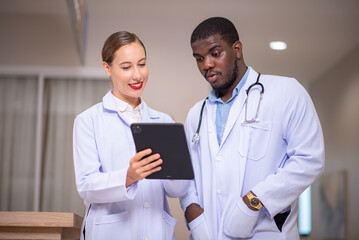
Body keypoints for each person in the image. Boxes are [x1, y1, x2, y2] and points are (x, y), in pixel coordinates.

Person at [180, 17, 325, 239]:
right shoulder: (196, 114)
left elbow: (309, 160)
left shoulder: (286, 92)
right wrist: (193, 214)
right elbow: (188, 176)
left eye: (215, 53)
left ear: (237, 49)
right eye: (199, 58)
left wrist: (253, 201)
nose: (206, 64)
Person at [73, 31, 189, 240]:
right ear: (107, 68)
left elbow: (177, 189)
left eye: (142, 64)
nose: (137, 75)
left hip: (156, 232)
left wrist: (178, 166)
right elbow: (86, 187)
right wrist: (129, 177)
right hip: (110, 232)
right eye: (126, 67)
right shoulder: (88, 120)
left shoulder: (163, 121)